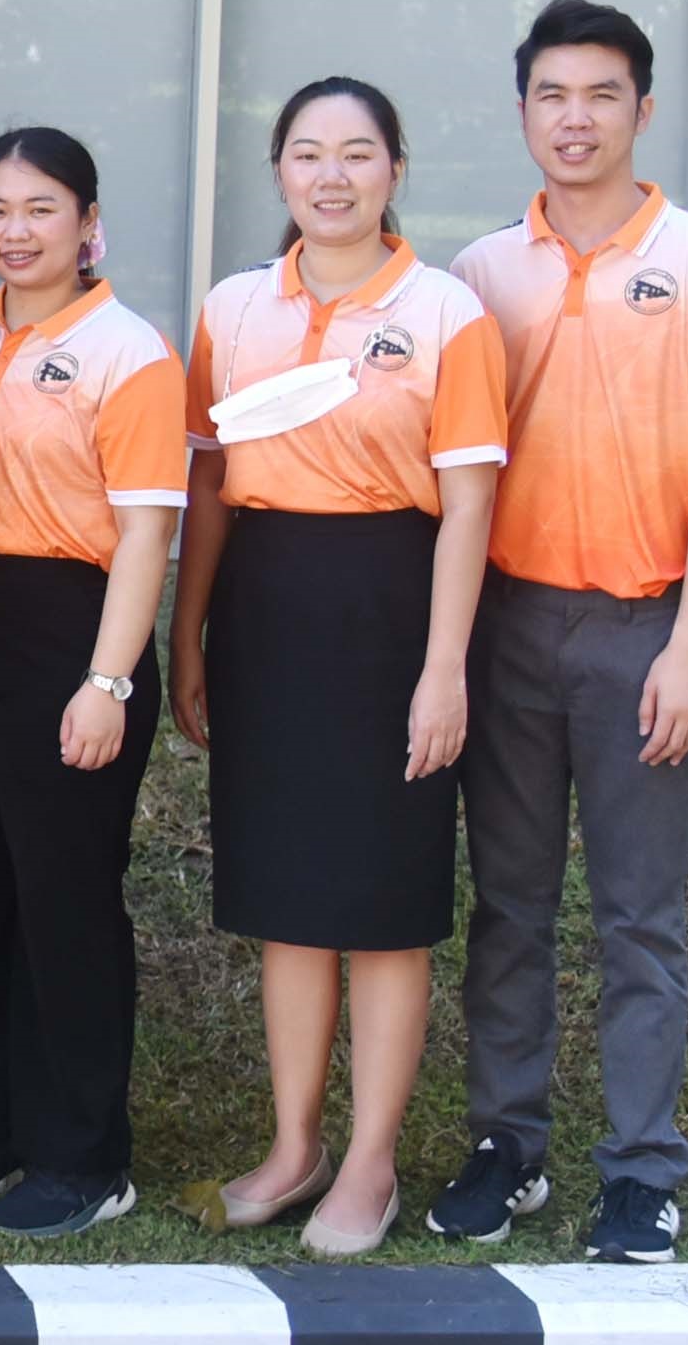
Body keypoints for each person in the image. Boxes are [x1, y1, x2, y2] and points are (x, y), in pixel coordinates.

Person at [436, 0, 688, 1266]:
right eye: (550, 94)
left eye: (600, 94)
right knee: (508, 903)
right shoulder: (480, 271)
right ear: (522, 108)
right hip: (509, 623)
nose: (573, 118)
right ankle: (506, 1143)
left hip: (643, 625)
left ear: (641, 107)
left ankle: (640, 1169)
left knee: (638, 914)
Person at [169, 80, 505, 1259]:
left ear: (394, 169)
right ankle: (293, 1145)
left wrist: (443, 667)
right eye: (307, 152)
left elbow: (468, 506)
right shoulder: (231, 307)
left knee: (384, 904)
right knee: (289, 899)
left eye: (357, 152)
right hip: (265, 612)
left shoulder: (447, 311)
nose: (331, 175)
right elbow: (209, 483)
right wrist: (187, 632)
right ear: (278, 171)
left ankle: (369, 1162)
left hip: (391, 610)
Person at [0, 126, 184, 1240]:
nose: (14, 232)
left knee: (64, 894)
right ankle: (9, 1121)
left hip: (71, 633)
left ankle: (86, 1153)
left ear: (87, 223)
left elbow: (145, 534)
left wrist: (106, 681)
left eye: (40, 209)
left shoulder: (130, 350)